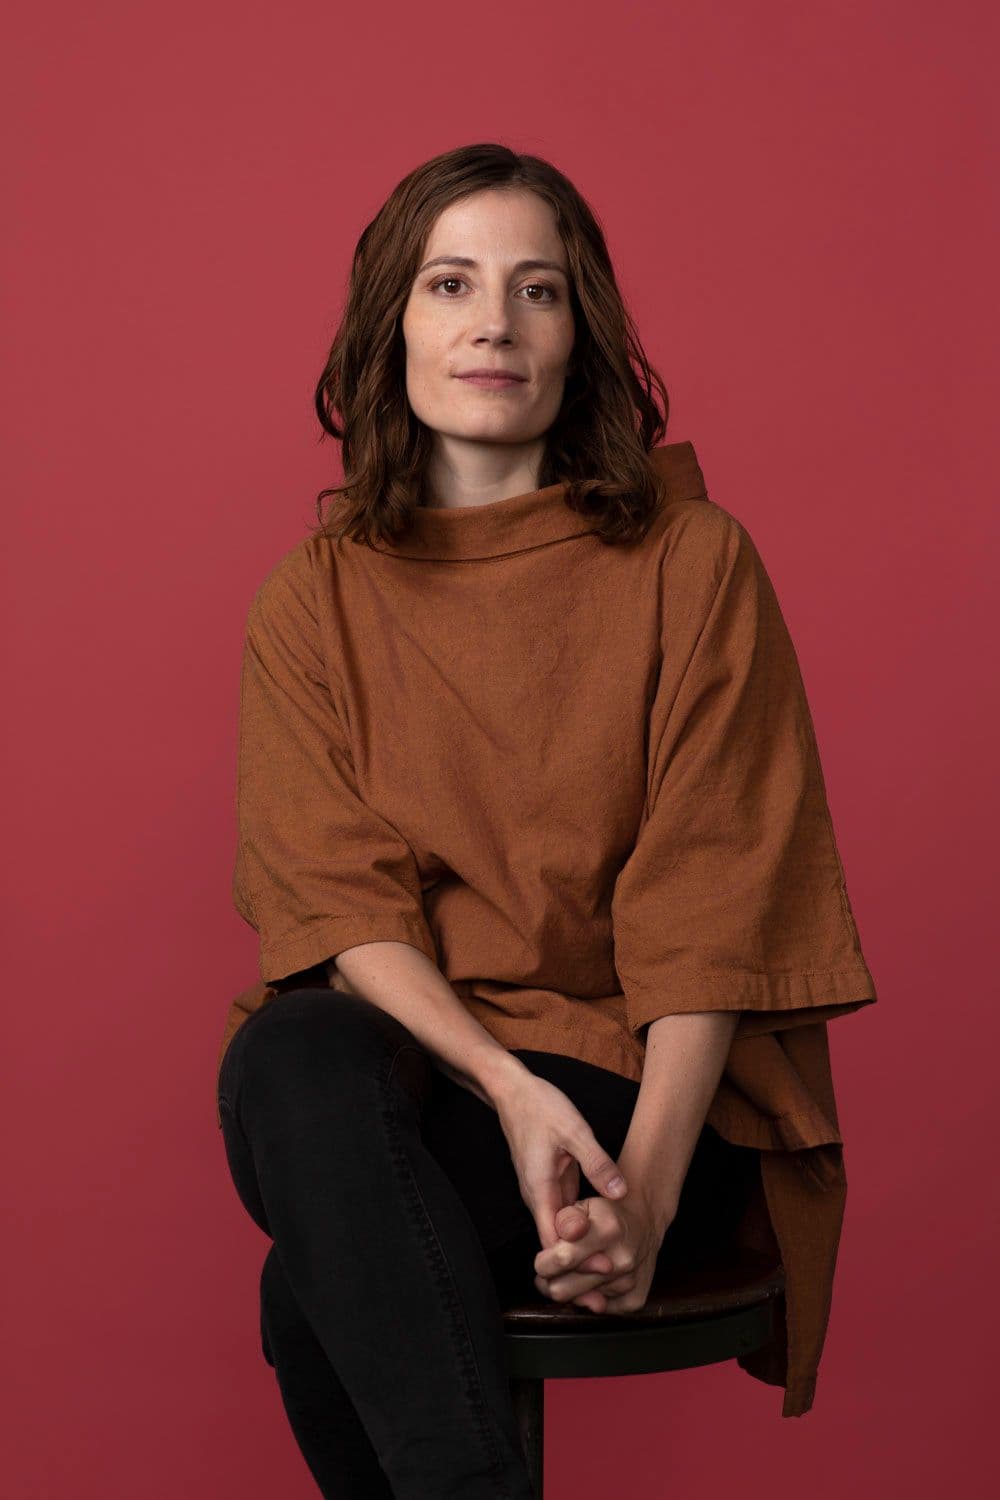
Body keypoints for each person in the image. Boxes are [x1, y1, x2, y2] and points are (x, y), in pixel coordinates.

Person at [216, 142, 877, 1498]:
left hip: (644, 1103)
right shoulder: (315, 598)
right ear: (390, 321)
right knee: (297, 1057)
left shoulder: (693, 565)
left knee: (313, 1286)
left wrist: (635, 1193)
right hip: (435, 1092)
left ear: (585, 334)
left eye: (540, 290)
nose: (494, 326)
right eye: (452, 283)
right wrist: (505, 1088)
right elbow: (343, 913)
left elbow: (710, 911)